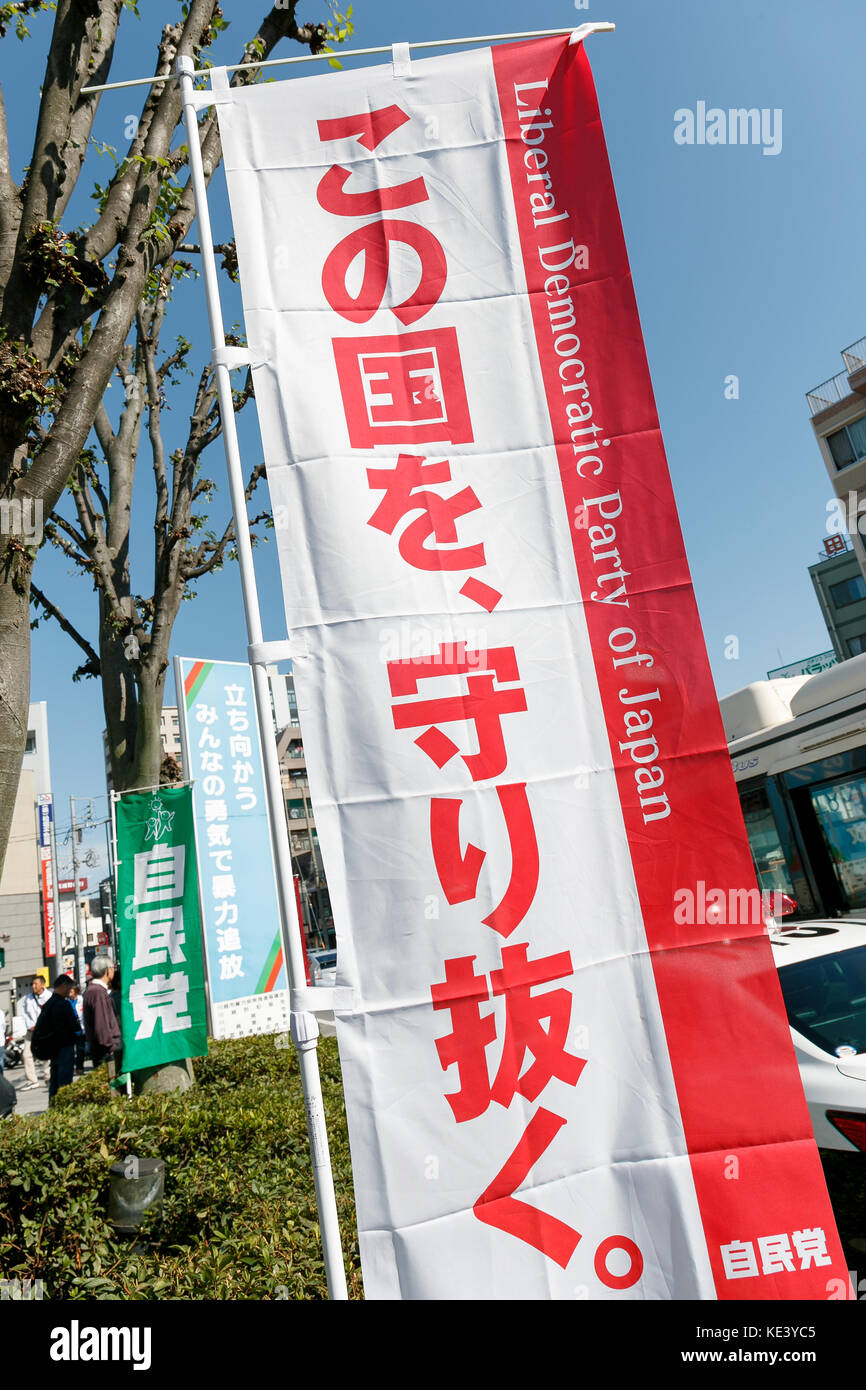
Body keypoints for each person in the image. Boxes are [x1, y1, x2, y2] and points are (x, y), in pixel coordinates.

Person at [35, 976, 81, 1102]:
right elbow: (74, 1025)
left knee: (54, 1082)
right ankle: (64, 1108)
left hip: (53, 1049)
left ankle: (53, 1108)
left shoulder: (48, 1004)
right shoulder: (63, 1004)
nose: (69, 990)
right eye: (69, 987)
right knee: (65, 1084)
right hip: (65, 1047)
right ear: (64, 986)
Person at [82, 956, 121, 1068]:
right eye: (113, 968)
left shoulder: (92, 990)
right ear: (107, 971)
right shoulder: (98, 993)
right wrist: (111, 1046)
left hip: (100, 1050)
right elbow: (102, 1025)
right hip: (105, 1052)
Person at [20, 975, 51, 1090]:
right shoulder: (28, 998)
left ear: (42, 984)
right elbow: (25, 1014)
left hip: (44, 1031)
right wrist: (30, 1026)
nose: (33, 986)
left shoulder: (49, 997)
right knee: (26, 1055)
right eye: (32, 984)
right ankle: (32, 1080)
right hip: (31, 1031)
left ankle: (48, 1078)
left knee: (46, 1055)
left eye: (36, 984)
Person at [68, 982, 86, 1074]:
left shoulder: (81, 1000)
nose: (70, 994)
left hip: (80, 1028)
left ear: (75, 992)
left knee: (80, 1049)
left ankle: (79, 1067)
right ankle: (72, 1067)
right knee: (71, 1050)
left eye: (71, 992)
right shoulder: (67, 1001)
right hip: (71, 1028)